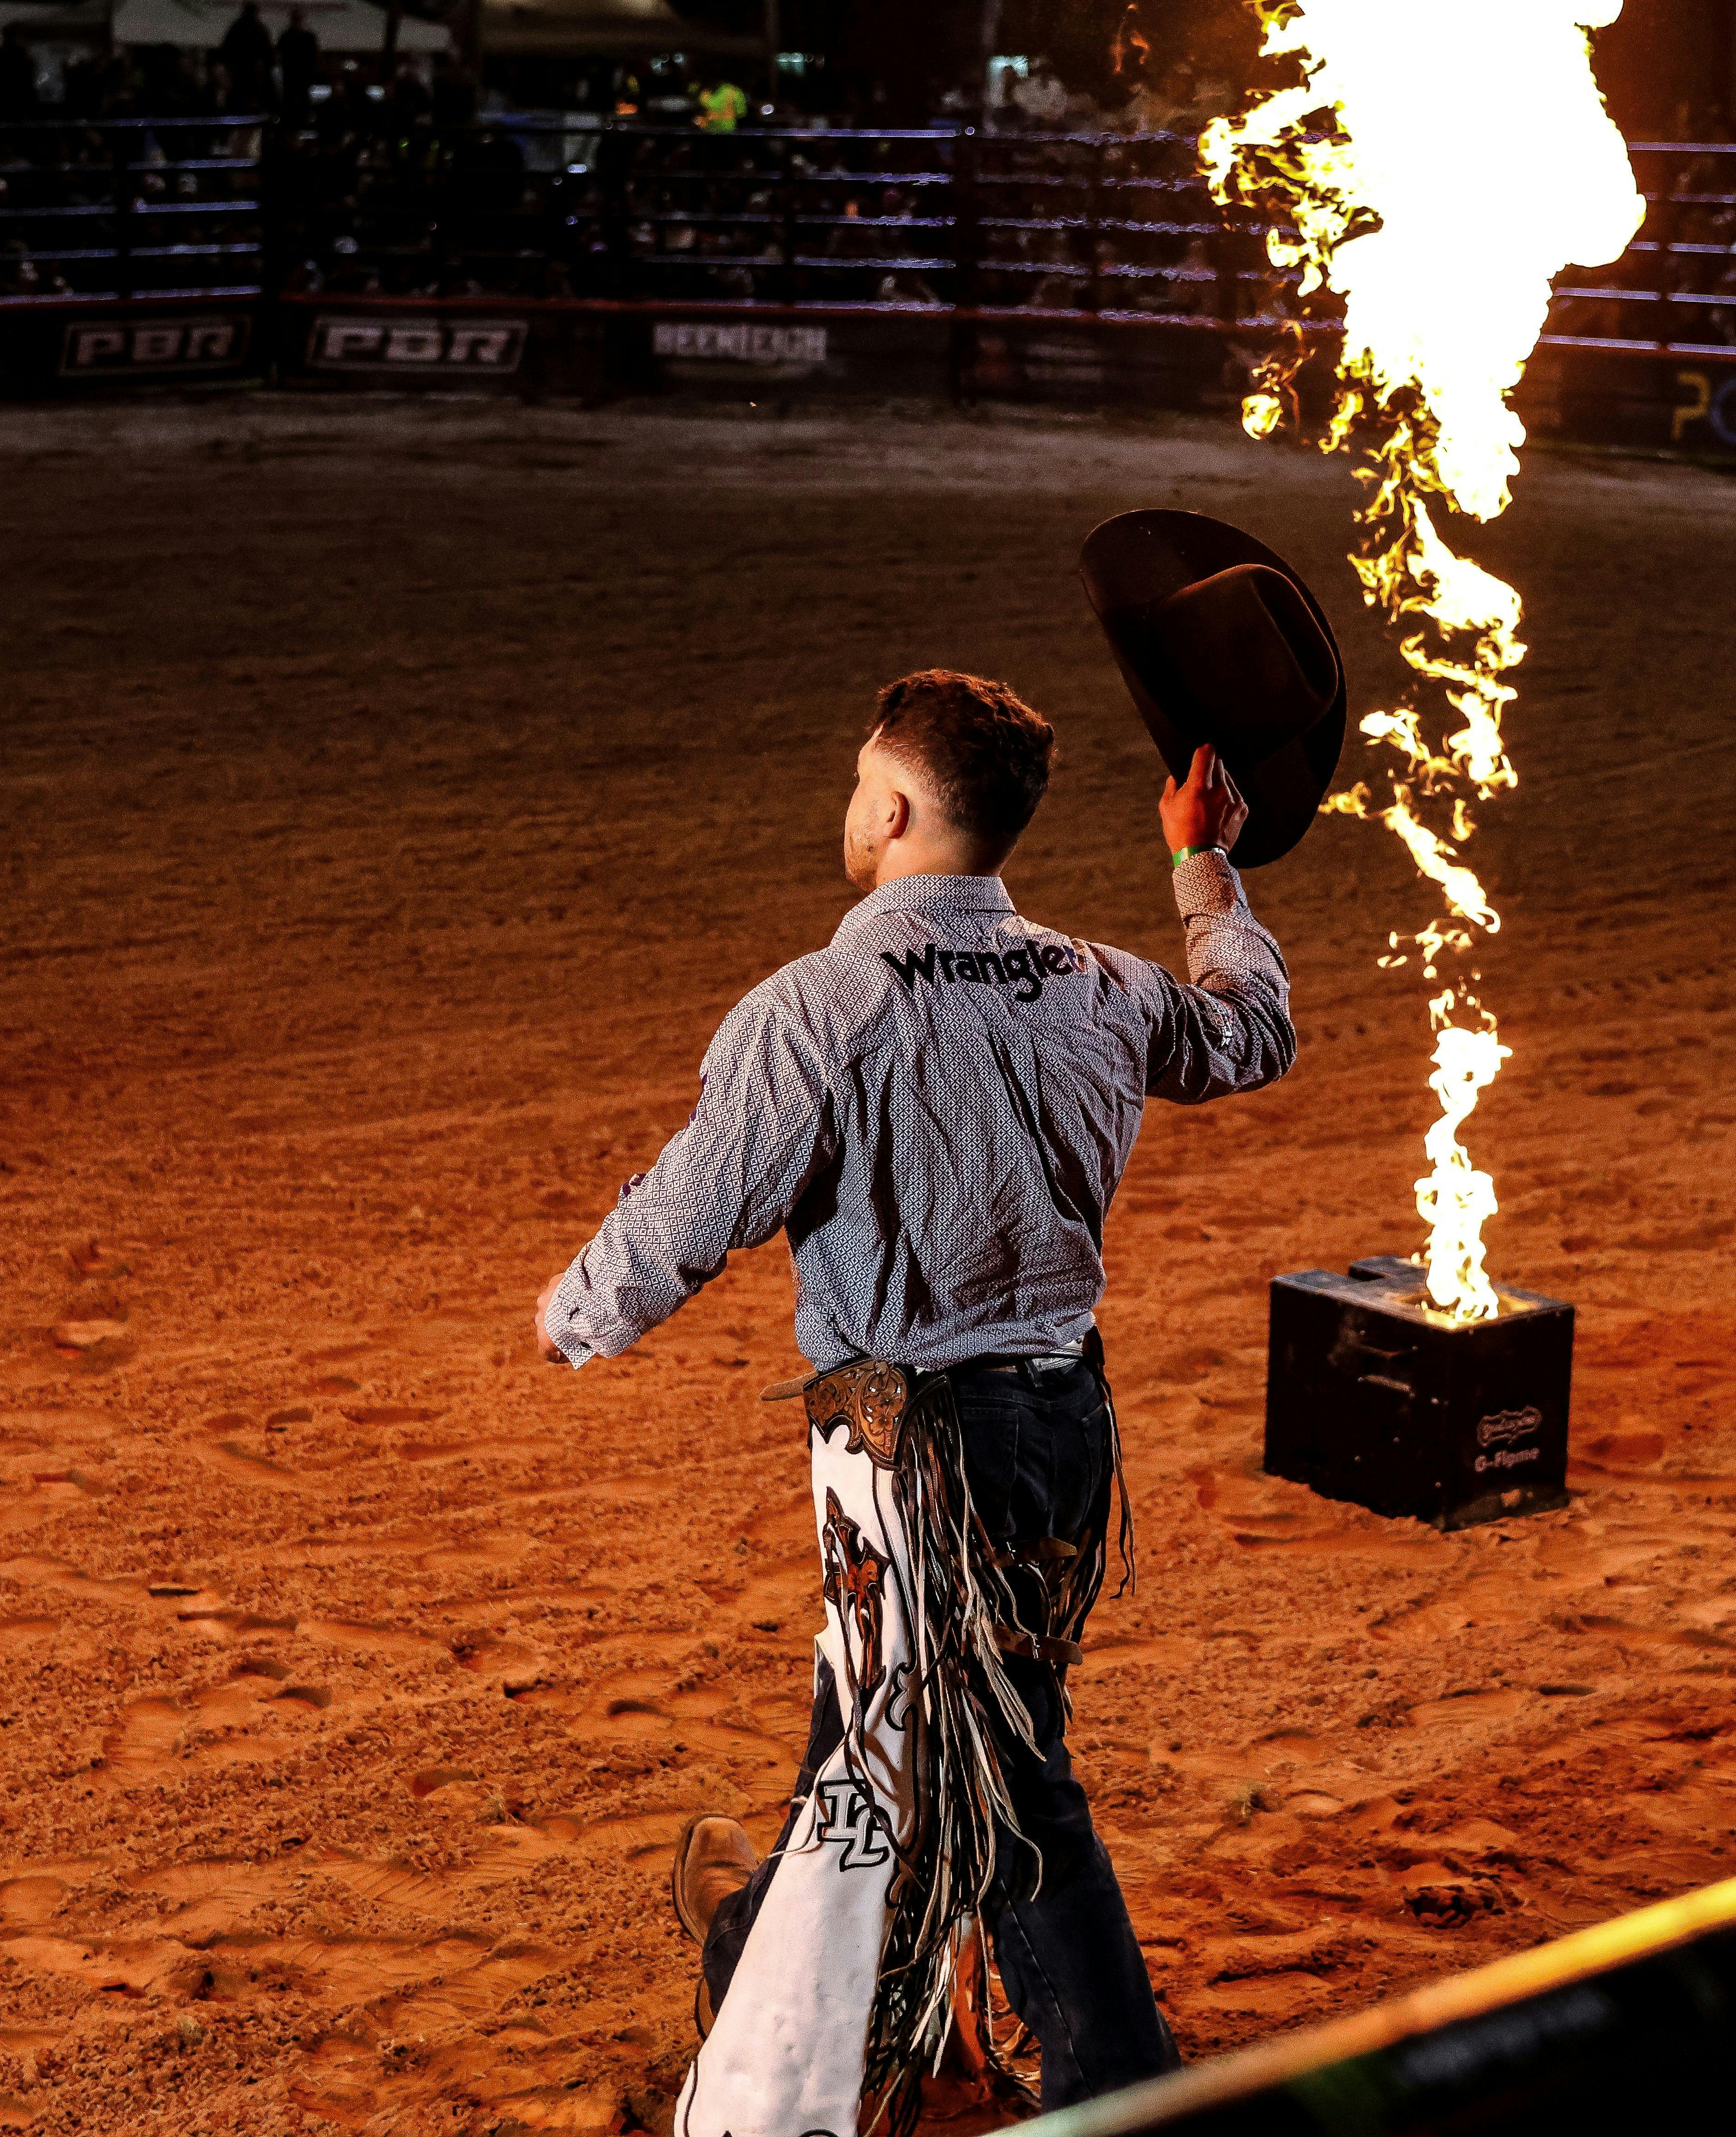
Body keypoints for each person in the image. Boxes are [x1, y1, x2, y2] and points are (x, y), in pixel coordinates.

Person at [536, 671, 1294, 2120]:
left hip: (911, 1456)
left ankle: (1116, 2088)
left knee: (993, 1768)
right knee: (908, 1737)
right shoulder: (1097, 982)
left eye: (854, 784)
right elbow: (1248, 1029)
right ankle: (760, 1942)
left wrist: (574, 1314)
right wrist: (1202, 864)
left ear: (889, 807)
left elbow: (692, 1210)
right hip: (1065, 1426)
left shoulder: (817, 1009)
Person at [218, 0, 269, 112]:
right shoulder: (258, 29)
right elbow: (267, 52)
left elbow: (227, 49)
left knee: (242, 98)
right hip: (248, 70)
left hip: (242, 70)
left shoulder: (238, 28)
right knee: (249, 98)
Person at [274, 5, 315, 125]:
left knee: (293, 96)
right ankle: (302, 120)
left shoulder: (286, 36)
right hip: (301, 73)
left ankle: (290, 120)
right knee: (300, 96)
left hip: (292, 72)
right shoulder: (308, 37)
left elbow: (279, 54)